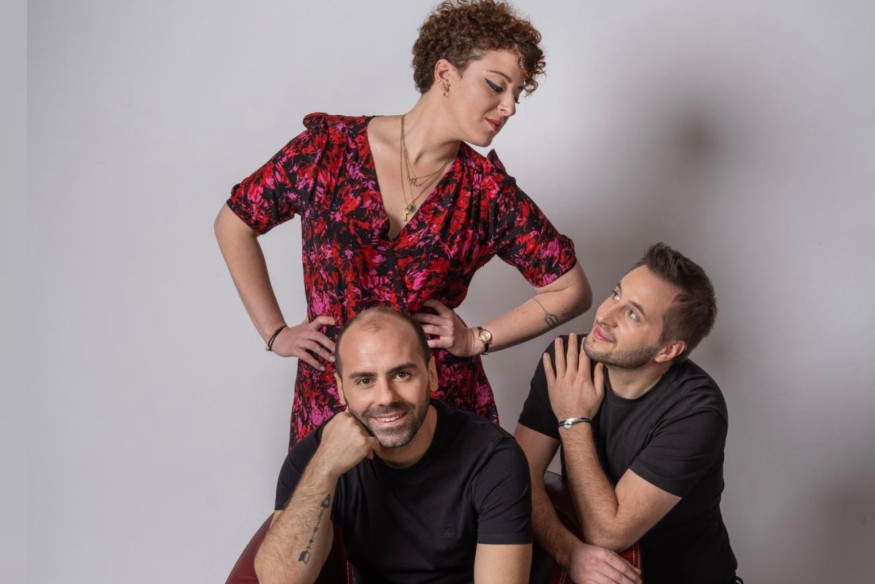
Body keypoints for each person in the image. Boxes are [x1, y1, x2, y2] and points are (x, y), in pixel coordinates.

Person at [214, 0, 592, 447]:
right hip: (332, 401)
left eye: (518, 93)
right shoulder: (328, 150)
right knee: (325, 494)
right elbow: (234, 222)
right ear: (445, 74)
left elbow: (571, 290)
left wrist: (476, 339)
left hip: (439, 411)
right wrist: (275, 332)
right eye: (496, 85)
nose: (509, 106)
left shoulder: (487, 193)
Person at [254, 307, 532, 584]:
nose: (386, 397)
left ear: (431, 374)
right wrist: (325, 468)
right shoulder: (316, 456)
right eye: (365, 380)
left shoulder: (492, 457)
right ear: (340, 389)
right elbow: (277, 581)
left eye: (402, 374)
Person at [515, 243, 740, 584]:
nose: (606, 316)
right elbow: (516, 476)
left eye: (633, 314)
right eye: (615, 294)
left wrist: (573, 419)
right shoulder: (568, 359)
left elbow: (608, 532)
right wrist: (568, 552)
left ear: (668, 350)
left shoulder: (697, 411)